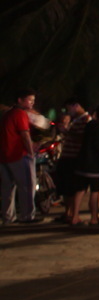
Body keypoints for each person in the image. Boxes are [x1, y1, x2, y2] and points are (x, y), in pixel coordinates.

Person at [1, 88, 41, 224]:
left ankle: (8, 217)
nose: (32, 103)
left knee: (7, 189)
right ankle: (27, 216)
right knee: (27, 186)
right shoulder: (20, 114)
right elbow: (25, 134)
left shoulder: (7, 114)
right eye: (29, 100)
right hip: (18, 155)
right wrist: (31, 152)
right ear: (20, 100)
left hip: (4, 156)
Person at [72, 104, 99, 225]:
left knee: (80, 190)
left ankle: (75, 216)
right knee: (95, 191)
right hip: (95, 164)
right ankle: (94, 217)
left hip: (82, 161)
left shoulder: (89, 125)